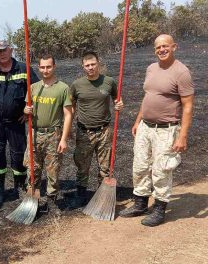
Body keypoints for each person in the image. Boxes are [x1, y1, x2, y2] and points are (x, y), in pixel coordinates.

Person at [119, 34, 194, 227]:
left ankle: (160, 208)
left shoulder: (181, 72)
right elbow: (148, 96)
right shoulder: (151, 68)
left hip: (166, 130)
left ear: (174, 47)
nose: (161, 50)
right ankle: (140, 203)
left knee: (161, 170)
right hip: (146, 127)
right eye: (158, 47)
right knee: (140, 166)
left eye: (165, 46)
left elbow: (187, 106)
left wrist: (182, 135)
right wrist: (138, 121)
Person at [0, 40, 39, 207]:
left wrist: (28, 112)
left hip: (16, 123)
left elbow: (36, 91)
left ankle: (19, 185)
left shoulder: (24, 69)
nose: (2, 53)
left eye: (4, 50)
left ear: (10, 50)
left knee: (18, 155)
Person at [70, 51, 124, 208]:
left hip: (104, 131)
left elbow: (117, 99)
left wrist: (119, 104)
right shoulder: (77, 85)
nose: (90, 68)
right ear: (83, 67)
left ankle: (103, 196)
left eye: (93, 64)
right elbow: (71, 107)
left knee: (105, 166)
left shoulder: (109, 82)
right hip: (84, 132)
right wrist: (68, 128)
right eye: (87, 65)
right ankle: (81, 195)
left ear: (98, 63)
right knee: (82, 165)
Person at [23, 55, 73, 212]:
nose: (45, 70)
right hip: (34, 134)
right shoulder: (33, 88)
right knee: (32, 169)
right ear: (39, 68)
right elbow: (26, 114)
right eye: (43, 67)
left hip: (53, 135)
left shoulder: (63, 88)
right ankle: (33, 200)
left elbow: (68, 115)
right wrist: (25, 111)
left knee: (53, 170)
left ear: (54, 67)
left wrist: (64, 139)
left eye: (49, 67)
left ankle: (52, 200)